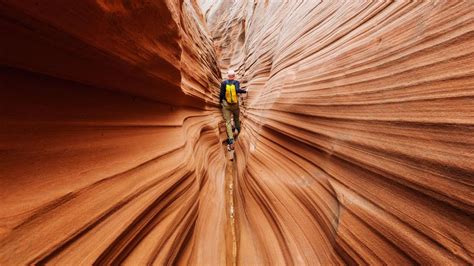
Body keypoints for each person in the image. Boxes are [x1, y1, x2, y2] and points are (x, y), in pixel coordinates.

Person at [219, 69, 247, 150]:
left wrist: (221, 102)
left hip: (226, 105)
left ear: (228, 76)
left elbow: (221, 94)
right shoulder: (236, 82)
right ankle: (238, 132)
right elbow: (238, 90)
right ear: (234, 76)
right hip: (235, 105)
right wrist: (245, 91)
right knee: (236, 119)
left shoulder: (224, 83)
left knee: (228, 122)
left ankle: (231, 140)